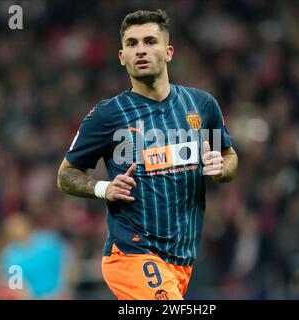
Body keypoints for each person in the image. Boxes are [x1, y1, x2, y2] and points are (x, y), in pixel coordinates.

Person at [57, 9, 238, 300]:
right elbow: (66, 174)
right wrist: (105, 188)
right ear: (121, 56)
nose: (141, 50)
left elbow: (229, 157)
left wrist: (221, 166)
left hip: (181, 261)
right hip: (131, 254)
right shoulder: (108, 115)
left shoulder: (202, 106)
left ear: (168, 52)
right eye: (132, 43)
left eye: (150, 41)